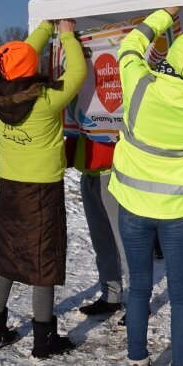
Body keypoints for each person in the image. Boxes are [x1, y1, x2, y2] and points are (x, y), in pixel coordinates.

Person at [107, 5, 183, 366]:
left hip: (133, 208)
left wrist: (165, 15)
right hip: (178, 213)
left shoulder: (138, 83)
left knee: (138, 288)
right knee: (181, 294)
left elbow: (130, 45)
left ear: (168, 58)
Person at [0, 18, 84, 358]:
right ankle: (44, 340)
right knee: (43, 258)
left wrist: (45, 26)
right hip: (41, 190)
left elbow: (21, 57)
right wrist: (67, 35)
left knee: (7, 255)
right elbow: (78, 73)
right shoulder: (46, 100)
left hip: (9, 187)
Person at [74, 136, 129, 318]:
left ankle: (138, 302)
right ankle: (111, 296)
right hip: (89, 171)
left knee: (124, 242)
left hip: (112, 171)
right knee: (102, 242)